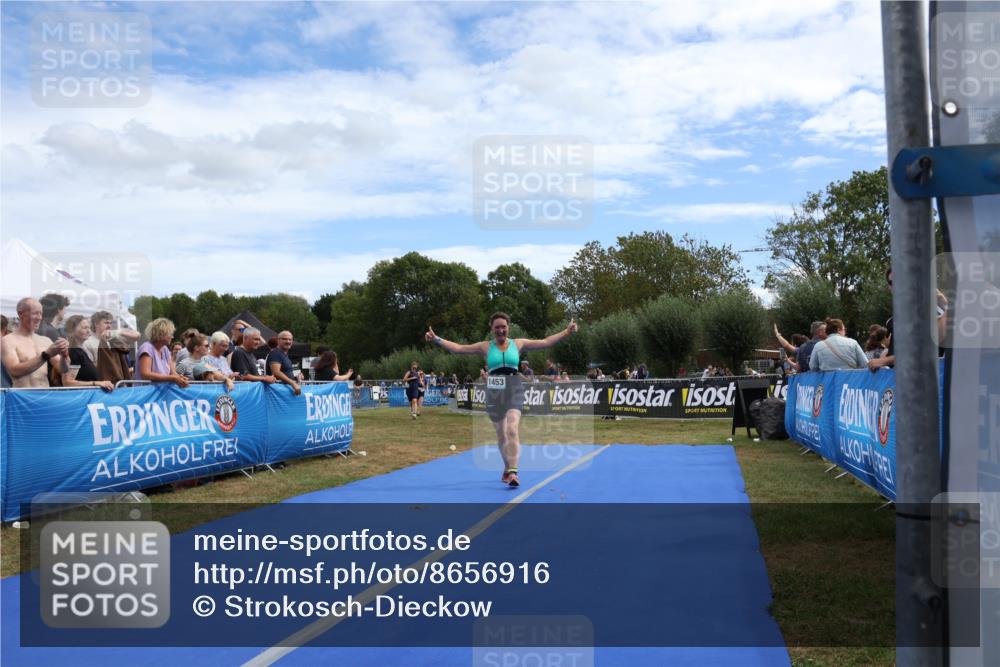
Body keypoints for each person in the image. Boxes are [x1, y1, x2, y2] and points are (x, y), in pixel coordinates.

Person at [426, 312, 578, 488]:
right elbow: (458, 348)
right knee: (501, 434)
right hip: (494, 392)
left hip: (514, 389)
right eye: (497, 327)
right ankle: (507, 467)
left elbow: (546, 342)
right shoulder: (485, 346)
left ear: (508, 328)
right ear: (492, 329)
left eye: (503, 327)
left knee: (512, 428)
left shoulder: (518, 344)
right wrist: (436, 339)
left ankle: (513, 472)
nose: (500, 330)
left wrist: (566, 332)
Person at [1, 297, 69, 388]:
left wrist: (64, 356)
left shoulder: (45, 340)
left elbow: (63, 370)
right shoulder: (8, 341)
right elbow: (14, 371)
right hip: (22, 395)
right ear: (21, 314)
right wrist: (45, 355)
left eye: (41, 313)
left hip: (44, 393)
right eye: (35, 313)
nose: (39, 317)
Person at [52, 314, 114, 391]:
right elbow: (67, 382)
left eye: (88, 328)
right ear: (72, 330)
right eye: (85, 328)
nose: (89, 331)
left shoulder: (80, 351)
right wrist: (97, 383)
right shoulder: (73, 352)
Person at [134, 318, 189, 387]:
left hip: (160, 391)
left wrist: (180, 378)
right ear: (161, 334)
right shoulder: (146, 348)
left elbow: (172, 372)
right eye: (170, 334)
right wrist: (172, 378)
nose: (172, 337)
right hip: (146, 391)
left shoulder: (165, 349)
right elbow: (145, 375)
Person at [267, 330, 301, 395]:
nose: (288, 341)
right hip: (276, 393)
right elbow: (276, 372)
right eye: (285, 339)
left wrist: (295, 378)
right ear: (278, 340)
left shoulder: (284, 355)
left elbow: (285, 373)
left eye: (290, 339)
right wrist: (292, 383)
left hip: (284, 393)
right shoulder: (275, 353)